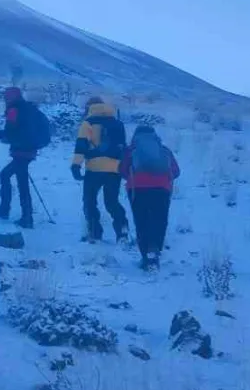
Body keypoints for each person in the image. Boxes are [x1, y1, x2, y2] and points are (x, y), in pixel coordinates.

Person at [119, 125, 180, 270]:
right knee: (160, 220)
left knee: (142, 221)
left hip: (137, 188)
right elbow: (176, 171)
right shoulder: (164, 150)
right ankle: (155, 250)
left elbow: (122, 170)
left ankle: (146, 256)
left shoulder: (131, 150)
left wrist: (135, 178)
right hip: (161, 188)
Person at [71, 96, 129, 243]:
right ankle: (122, 231)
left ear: (89, 107)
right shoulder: (118, 123)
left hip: (94, 169)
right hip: (114, 169)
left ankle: (95, 232)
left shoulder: (88, 123)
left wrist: (76, 165)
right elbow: (123, 147)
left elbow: (81, 146)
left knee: (89, 201)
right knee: (112, 201)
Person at [0, 87, 38, 229]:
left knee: (18, 181)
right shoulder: (27, 108)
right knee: (12, 178)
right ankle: (19, 214)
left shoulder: (14, 110)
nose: (4, 99)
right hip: (29, 151)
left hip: (21, 152)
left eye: (6, 97)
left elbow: (10, 132)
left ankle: (22, 216)